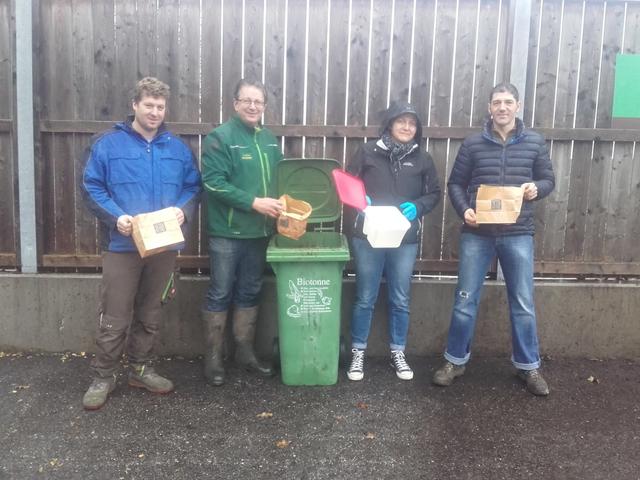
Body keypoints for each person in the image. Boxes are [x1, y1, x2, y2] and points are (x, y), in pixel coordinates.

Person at [81, 77, 202, 410]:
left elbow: (193, 187)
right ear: (134, 105)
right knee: (115, 315)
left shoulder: (177, 148)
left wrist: (183, 209)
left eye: (160, 106)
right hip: (122, 246)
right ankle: (104, 375)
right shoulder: (107, 145)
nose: (155, 112)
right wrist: (115, 217)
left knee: (150, 311)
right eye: (148, 105)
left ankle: (141, 368)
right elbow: (92, 186)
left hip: (163, 247)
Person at [432, 82, 555, 396]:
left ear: (518, 105)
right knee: (464, 300)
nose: (502, 107)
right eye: (497, 102)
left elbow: (548, 179)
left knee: (524, 303)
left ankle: (528, 367)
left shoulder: (535, 143)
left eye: (508, 102)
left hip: (518, 233)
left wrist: (536, 189)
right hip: (477, 233)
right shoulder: (473, 145)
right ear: (489, 107)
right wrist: (464, 210)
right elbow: (456, 184)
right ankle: (455, 361)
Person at [346, 102, 441, 381]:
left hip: (405, 237)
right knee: (365, 297)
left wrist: (419, 206)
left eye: (412, 123)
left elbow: (434, 193)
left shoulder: (422, 158)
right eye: (401, 121)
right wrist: (358, 199)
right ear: (389, 124)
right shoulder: (368, 151)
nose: (406, 127)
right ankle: (358, 352)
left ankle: (398, 352)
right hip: (368, 236)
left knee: (400, 298)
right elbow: (347, 183)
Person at [200, 79, 282, 386]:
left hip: (260, 233)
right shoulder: (220, 138)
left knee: (250, 290)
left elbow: (280, 178)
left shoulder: (270, 141)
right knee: (220, 292)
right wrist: (253, 202)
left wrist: (286, 202)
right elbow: (213, 182)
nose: (252, 106)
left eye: (258, 102)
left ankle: (244, 353)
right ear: (235, 104)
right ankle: (213, 357)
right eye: (246, 100)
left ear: (263, 107)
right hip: (227, 232)